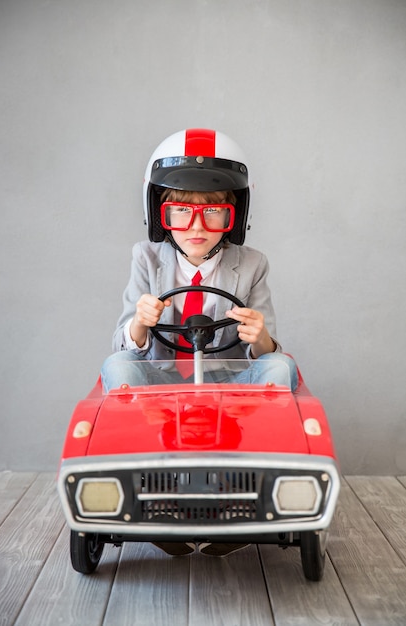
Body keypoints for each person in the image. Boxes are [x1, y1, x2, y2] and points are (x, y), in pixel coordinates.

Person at [101, 128, 298, 557]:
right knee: (115, 367)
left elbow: (267, 353)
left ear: (234, 216)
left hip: (230, 385)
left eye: (213, 215)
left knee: (283, 369)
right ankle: (151, 487)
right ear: (159, 214)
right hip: (164, 382)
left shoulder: (252, 265)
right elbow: (124, 342)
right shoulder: (146, 258)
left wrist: (258, 336)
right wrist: (140, 322)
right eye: (180, 213)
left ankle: (249, 487)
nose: (196, 228)